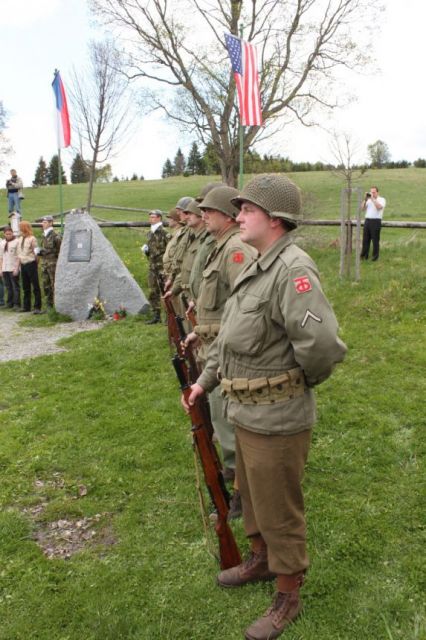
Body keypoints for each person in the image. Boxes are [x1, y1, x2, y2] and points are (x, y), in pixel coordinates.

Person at [184, 174, 347, 640]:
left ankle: (288, 592)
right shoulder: (256, 265)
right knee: (253, 496)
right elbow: (229, 340)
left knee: (280, 508)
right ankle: (258, 559)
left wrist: (294, 384)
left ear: (274, 219)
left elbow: (322, 347)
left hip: (278, 415)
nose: (239, 217)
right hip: (245, 411)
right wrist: (203, 382)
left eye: (247, 210)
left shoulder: (293, 271)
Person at [186, 185, 257, 514]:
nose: (203, 215)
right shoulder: (220, 246)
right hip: (215, 346)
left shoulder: (234, 250)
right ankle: (233, 475)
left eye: (209, 211)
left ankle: (242, 490)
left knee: (229, 418)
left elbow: (244, 303)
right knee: (221, 415)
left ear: (228, 217)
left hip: (229, 350)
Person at [142, 210, 170, 324]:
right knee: (153, 291)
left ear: (159, 218)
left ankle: (169, 316)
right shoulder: (150, 233)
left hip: (162, 267)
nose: (151, 219)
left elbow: (169, 250)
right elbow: (152, 249)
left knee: (165, 291)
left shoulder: (164, 233)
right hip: (152, 266)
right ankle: (156, 315)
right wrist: (146, 251)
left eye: (153, 217)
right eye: (150, 217)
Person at [17, 221, 42, 314]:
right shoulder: (20, 239)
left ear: (24, 228)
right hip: (23, 264)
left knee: (35, 285)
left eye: (21, 227)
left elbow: (37, 252)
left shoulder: (32, 239)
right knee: (25, 286)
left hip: (31, 263)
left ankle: (37, 306)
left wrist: (36, 263)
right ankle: (26, 306)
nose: (19, 229)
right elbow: (19, 253)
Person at [36, 215, 62, 309]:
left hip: (53, 264)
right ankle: (49, 307)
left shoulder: (56, 235)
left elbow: (60, 250)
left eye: (45, 222)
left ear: (51, 223)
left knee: (54, 284)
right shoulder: (44, 234)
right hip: (44, 263)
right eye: (43, 222)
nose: (43, 224)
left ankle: (57, 306)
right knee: (45, 285)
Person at [360, 186, 386, 261]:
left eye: (374, 192)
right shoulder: (368, 200)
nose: (372, 193)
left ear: (377, 192)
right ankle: (364, 256)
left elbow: (379, 207)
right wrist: (365, 199)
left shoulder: (382, 199)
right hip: (367, 220)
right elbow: (362, 209)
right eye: (371, 192)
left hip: (376, 221)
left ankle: (375, 257)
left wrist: (373, 199)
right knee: (365, 239)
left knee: (375, 240)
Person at [0, 227, 20, 310]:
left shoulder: (17, 241)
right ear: (4, 234)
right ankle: (9, 303)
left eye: (10, 234)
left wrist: (17, 268)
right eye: (6, 234)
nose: (8, 235)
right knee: (8, 286)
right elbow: (1, 257)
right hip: (5, 267)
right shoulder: (2, 243)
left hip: (13, 267)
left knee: (15, 286)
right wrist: (0, 268)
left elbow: (19, 256)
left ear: (12, 233)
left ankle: (16, 303)